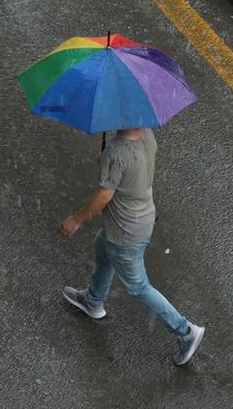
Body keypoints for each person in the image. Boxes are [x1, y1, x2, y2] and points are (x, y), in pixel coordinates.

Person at [58, 128, 205, 366]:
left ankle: (185, 331)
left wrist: (76, 219)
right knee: (102, 245)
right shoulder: (147, 135)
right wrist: (106, 164)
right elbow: (131, 171)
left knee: (138, 286)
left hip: (126, 230)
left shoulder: (116, 152)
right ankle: (94, 301)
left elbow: (104, 196)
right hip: (140, 217)